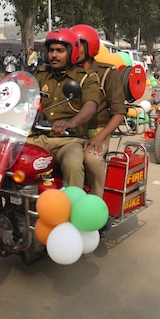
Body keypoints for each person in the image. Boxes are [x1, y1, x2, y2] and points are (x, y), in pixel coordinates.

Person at [29, 28, 100, 189]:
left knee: (73, 164)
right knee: (7, 154)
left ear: (71, 52)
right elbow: (21, 95)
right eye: (51, 50)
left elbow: (90, 106)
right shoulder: (40, 75)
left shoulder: (86, 78)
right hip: (39, 137)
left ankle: (72, 208)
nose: (54, 55)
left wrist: (71, 123)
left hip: (68, 141)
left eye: (60, 51)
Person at [71, 24, 125, 198]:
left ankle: (96, 205)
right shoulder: (63, 71)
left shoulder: (107, 73)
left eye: (77, 45)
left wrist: (99, 138)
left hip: (96, 132)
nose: (73, 49)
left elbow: (118, 112)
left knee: (92, 160)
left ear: (90, 47)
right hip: (68, 132)